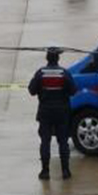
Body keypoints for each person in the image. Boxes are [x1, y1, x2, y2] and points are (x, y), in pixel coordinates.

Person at [28, 47, 77, 180]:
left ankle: (45, 171)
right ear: (58, 59)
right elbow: (73, 90)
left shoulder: (40, 73)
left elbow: (31, 90)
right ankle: (65, 171)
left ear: (47, 58)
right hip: (62, 112)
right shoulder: (64, 73)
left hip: (45, 112)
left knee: (45, 141)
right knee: (63, 142)